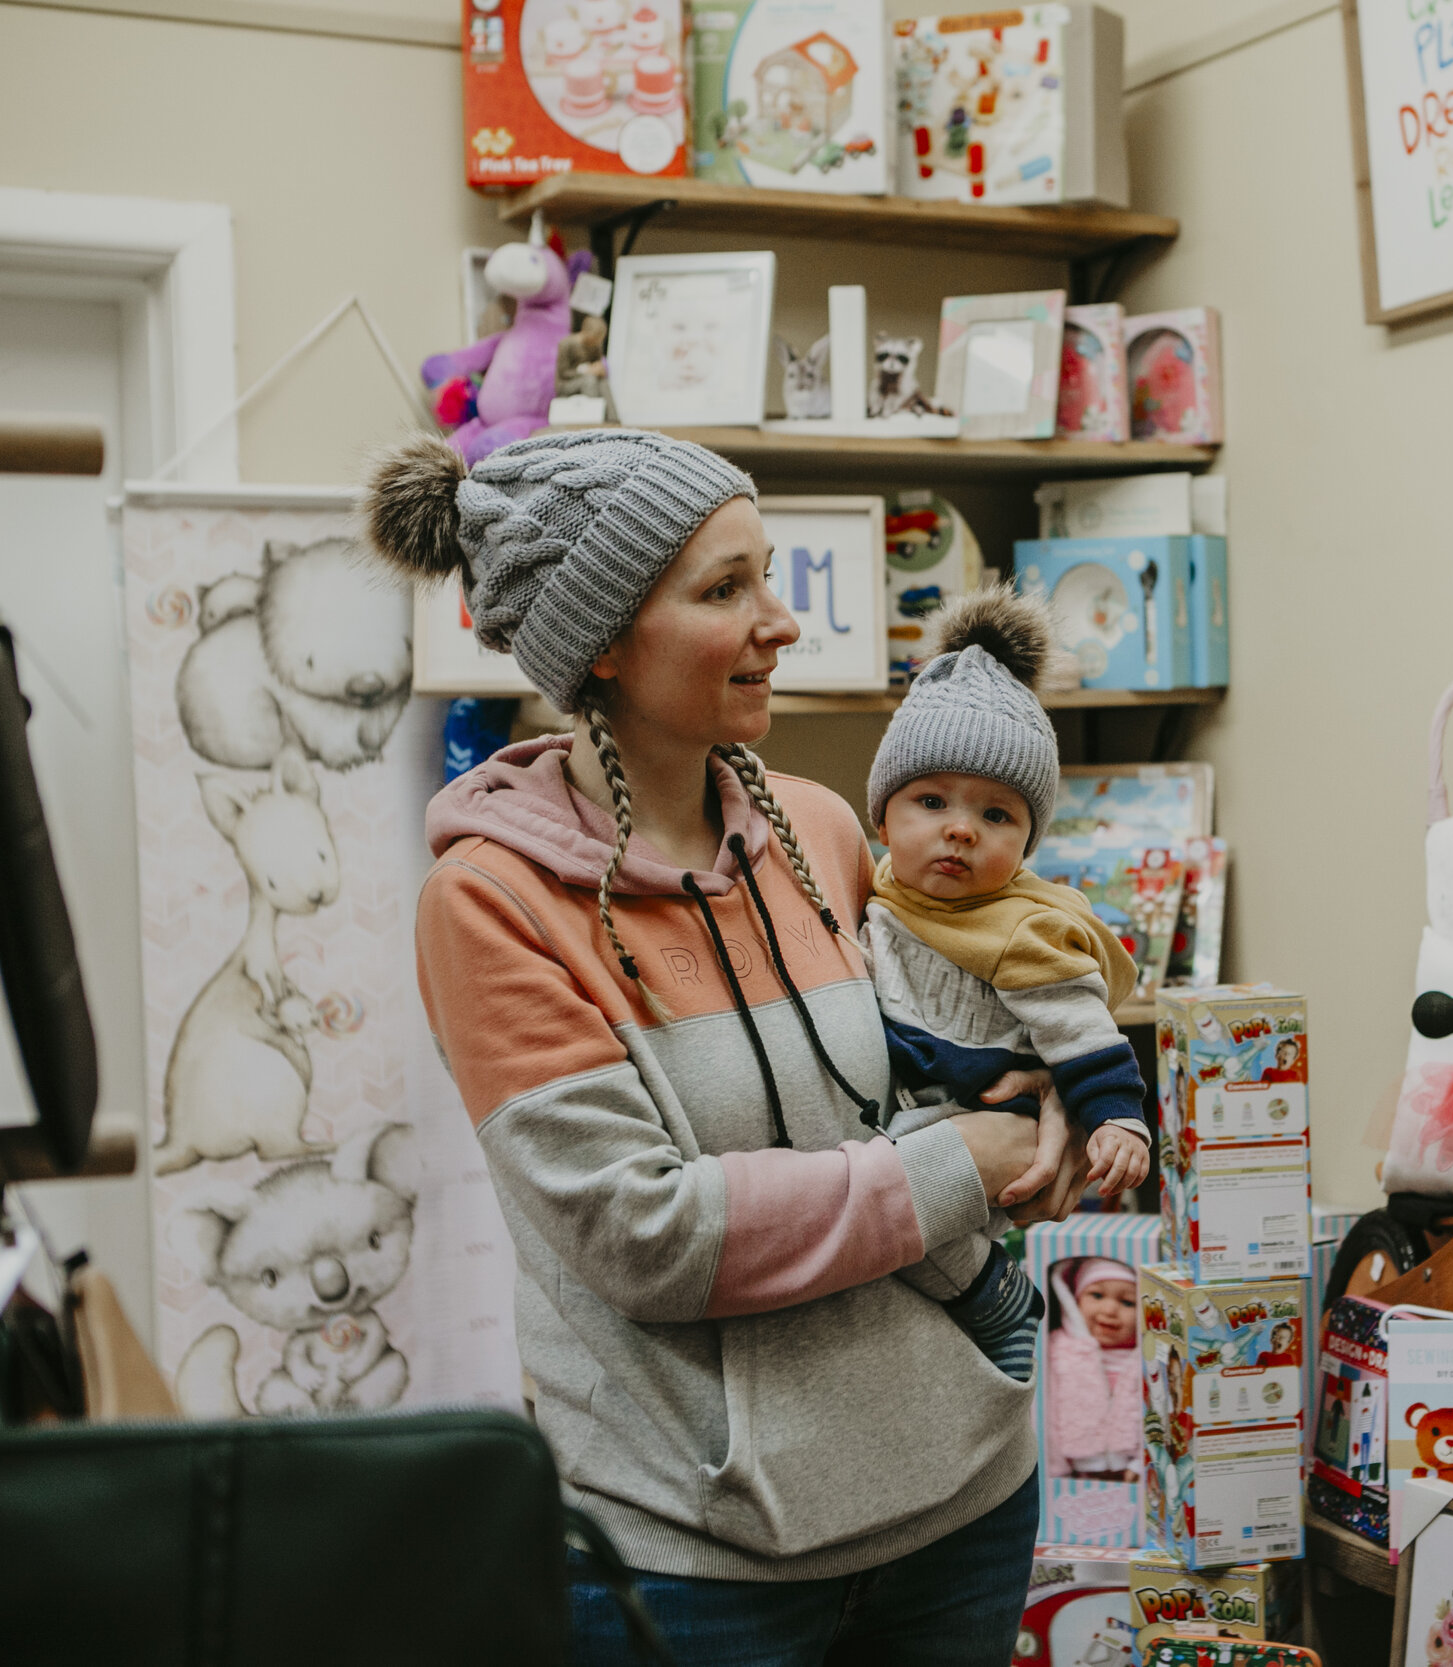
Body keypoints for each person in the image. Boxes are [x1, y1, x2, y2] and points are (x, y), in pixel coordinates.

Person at [364, 429, 1088, 1667]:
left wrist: (1061, 1099)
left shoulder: (819, 828)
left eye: (771, 576)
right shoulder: (490, 903)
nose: (782, 621)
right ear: (601, 640)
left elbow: (947, 1052)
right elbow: (647, 1234)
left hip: (963, 1502)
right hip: (699, 1562)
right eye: (725, 589)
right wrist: (965, 1159)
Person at [858, 588, 1153, 1379]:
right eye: (931, 801)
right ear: (883, 818)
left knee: (902, 1186)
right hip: (913, 1088)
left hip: (981, 1097)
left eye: (997, 815)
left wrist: (1118, 1120)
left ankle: (996, 1295)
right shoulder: (879, 892)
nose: (961, 828)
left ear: (1026, 846)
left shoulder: (1018, 927)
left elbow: (1083, 1028)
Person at [1045, 1258, 1142, 1482]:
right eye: (1096, 1295)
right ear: (1073, 1301)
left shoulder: (1146, 1357)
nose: (1109, 1310)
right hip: (1075, 1474)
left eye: (1128, 1302)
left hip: (1135, 1474)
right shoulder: (1059, 1350)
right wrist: (1055, 1469)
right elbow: (1045, 1410)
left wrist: (1143, 1462)